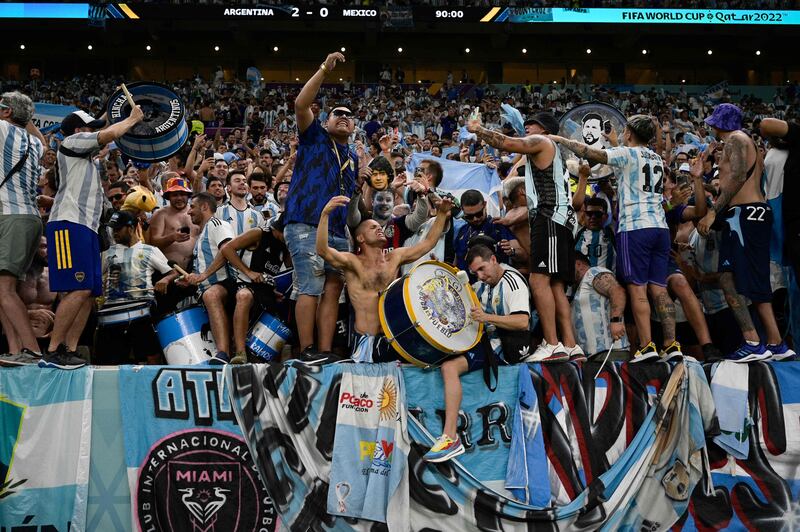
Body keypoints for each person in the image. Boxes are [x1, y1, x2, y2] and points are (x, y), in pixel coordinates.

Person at [551, 114, 682, 362]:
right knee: (659, 288)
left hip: (635, 228)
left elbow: (594, 154)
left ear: (630, 133)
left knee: (638, 289)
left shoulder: (627, 153)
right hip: (660, 228)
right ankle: (671, 344)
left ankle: (646, 346)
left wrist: (560, 139)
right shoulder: (654, 157)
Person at [468, 110, 580, 362]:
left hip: (548, 219)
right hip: (560, 221)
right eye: (526, 122)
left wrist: (479, 130)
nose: (527, 126)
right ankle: (571, 345)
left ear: (545, 129)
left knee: (538, 282)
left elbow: (507, 142)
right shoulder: (551, 151)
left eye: (533, 123)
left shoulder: (541, 142)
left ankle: (552, 344)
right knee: (555, 285)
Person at [41, 105, 144, 369]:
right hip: (68, 225)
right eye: (90, 128)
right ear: (79, 131)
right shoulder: (73, 141)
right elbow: (107, 134)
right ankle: (53, 350)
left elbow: (104, 133)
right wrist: (132, 119)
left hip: (86, 227)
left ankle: (70, 349)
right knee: (77, 288)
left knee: (89, 293)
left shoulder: (86, 157)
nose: (95, 133)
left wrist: (115, 109)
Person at [698, 104, 793, 360]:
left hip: (743, 215)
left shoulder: (735, 139)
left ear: (721, 123)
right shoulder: (746, 141)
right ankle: (775, 342)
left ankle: (752, 341)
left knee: (728, 279)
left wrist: (712, 212)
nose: (711, 127)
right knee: (758, 282)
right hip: (755, 214)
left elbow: (738, 175)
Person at [424, 244, 530, 463]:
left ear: (493, 259)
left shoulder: (513, 281)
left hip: (505, 346)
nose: (480, 276)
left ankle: (450, 437)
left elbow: (522, 322)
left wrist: (487, 318)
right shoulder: (482, 284)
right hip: (485, 341)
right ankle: (449, 437)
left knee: (449, 367)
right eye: (475, 273)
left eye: (482, 269)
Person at [315, 194, 452, 364]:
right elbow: (323, 250)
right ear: (361, 238)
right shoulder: (352, 262)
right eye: (372, 228)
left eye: (379, 226)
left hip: (393, 340)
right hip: (366, 343)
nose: (379, 228)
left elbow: (428, 243)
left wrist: (441, 214)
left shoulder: (395, 257)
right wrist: (325, 214)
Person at [284, 52, 359, 355]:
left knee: (333, 289)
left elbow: (351, 205)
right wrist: (324, 68)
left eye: (348, 115)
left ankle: (325, 352)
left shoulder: (353, 157)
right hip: (306, 223)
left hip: (338, 231)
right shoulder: (313, 137)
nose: (343, 116)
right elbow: (301, 104)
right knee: (310, 287)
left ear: (354, 126)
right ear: (325, 121)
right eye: (336, 113)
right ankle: (307, 350)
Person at [186, 215, 290, 364]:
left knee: (244, 295)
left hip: (262, 289)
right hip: (239, 280)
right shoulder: (258, 233)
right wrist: (247, 271)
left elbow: (289, 270)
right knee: (211, 294)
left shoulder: (286, 244)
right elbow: (227, 249)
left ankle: (240, 352)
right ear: (280, 229)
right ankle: (223, 353)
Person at [0, 91, 47, 366]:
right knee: (4, 291)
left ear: (6, 113)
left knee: (4, 291)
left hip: (11, 217)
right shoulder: (35, 143)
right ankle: (15, 349)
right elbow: (41, 138)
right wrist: (24, 114)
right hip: (30, 219)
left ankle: (32, 351)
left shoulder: (2, 128)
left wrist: (15, 113)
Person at [95, 210, 176, 365]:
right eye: (113, 229)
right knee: (109, 364)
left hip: (142, 314)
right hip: (110, 317)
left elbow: (172, 272)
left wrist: (165, 280)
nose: (115, 233)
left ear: (131, 228)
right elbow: (95, 276)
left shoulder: (150, 250)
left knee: (152, 357)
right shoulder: (106, 254)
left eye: (118, 228)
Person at [184, 192, 235, 364]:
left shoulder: (217, 224)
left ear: (205, 207)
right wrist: (191, 278)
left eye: (192, 206)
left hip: (227, 283)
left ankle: (223, 353)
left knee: (210, 295)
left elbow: (227, 250)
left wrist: (204, 275)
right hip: (209, 286)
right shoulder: (202, 233)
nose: (189, 212)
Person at [572, 252, 629, 359]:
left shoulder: (593, 273)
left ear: (578, 264)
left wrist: (616, 320)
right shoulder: (577, 287)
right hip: (593, 356)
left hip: (610, 351)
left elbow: (617, 291)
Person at [453, 189, 518, 274]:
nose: (475, 219)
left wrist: (512, 251)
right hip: (466, 284)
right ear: (462, 210)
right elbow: (456, 264)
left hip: (494, 283)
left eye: (479, 214)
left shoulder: (498, 226)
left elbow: (523, 254)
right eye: (470, 216)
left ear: (485, 205)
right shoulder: (462, 231)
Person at [149, 177, 196, 271]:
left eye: (182, 194)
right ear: (168, 196)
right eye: (175, 195)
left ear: (188, 196)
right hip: (168, 270)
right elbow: (153, 243)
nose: (179, 198)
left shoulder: (195, 212)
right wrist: (172, 237)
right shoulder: (160, 214)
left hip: (194, 271)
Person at [574, 197, 616, 272]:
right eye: (589, 214)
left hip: (607, 281)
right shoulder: (576, 233)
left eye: (598, 214)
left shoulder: (612, 233)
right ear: (584, 215)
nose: (593, 217)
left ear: (606, 217)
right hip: (580, 282)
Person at [216, 170, 262, 236]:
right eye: (237, 181)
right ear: (229, 188)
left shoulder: (257, 215)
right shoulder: (218, 212)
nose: (242, 183)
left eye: (244, 181)